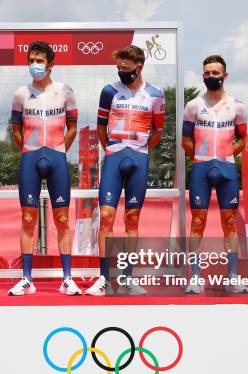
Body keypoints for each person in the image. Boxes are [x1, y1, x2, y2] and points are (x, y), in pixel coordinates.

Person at [85, 45, 165, 296]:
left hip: (139, 158)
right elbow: (100, 127)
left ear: (138, 67)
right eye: (118, 67)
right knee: (107, 217)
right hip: (114, 156)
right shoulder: (109, 91)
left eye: (125, 67)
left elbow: (158, 131)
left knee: (132, 219)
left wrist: (140, 150)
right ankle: (103, 279)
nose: (120, 71)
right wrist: (112, 149)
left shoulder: (155, 93)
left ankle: (128, 279)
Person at [7, 41, 82, 296]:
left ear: (51, 64)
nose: (34, 65)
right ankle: (26, 279)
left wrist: (60, 147)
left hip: (56, 157)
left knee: (62, 219)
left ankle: (67, 278)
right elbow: (15, 128)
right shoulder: (20, 94)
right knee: (28, 218)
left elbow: (73, 125)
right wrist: (27, 150)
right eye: (31, 60)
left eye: (39, 61)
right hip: (31, 157)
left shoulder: (65, 91)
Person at [181, 55, 248, 294]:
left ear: (225, 75)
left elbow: (243, 138)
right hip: (201, 168)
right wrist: (198, 160)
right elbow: (186, 140)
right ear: (203, 75)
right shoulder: (192, 106)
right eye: (207, 73)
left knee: (229, 223)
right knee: (197, 223)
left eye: (215, 73)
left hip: (227, 169)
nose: (211, 77)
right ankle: (196, 278)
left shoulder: (237, 106)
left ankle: (232, 276)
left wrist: (227, 155)